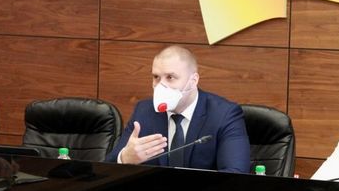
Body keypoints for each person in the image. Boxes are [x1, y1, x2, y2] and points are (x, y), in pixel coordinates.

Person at [105, 45, 250, 173]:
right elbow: (106, 169)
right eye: (156, 77)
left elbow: (235, 174)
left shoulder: (224, 114)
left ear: (193, 81)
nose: (160, 85)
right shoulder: (144, 111)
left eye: (170, 77)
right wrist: (125, 158)